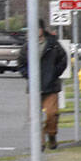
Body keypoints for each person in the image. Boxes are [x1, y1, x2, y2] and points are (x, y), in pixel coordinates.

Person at [35, 20, 67, 150]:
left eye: (36, 28)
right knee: (35, 118)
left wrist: (54, 73)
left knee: (51, 114)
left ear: (42, 29)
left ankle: (51, 134)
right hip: (34, 87)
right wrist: (28, 75)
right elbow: (21, 62)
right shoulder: (28, 46)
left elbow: (63, 59)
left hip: (51, 86)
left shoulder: (53, 44)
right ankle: (40, 141)